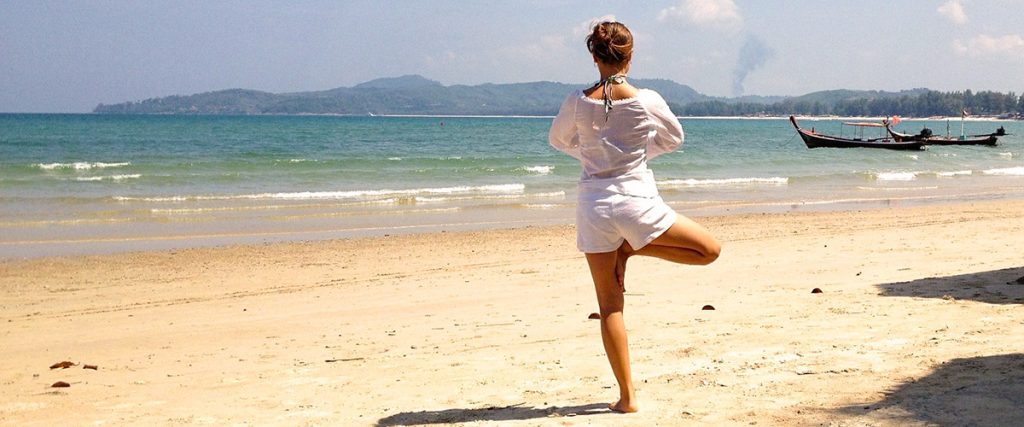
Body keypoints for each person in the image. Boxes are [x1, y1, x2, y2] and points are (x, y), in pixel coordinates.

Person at [548, 21, 721, 413]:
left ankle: (627, 399)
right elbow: (674, 138)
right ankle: (634, 249)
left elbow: (558, 140)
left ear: (595, 56)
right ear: (630, 54)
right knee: (709, 250)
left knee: (610, 307)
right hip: (637, 202)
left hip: (594, 207)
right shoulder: (647, 100)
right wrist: (637, 154)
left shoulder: (576, 101)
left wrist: (593, 155)